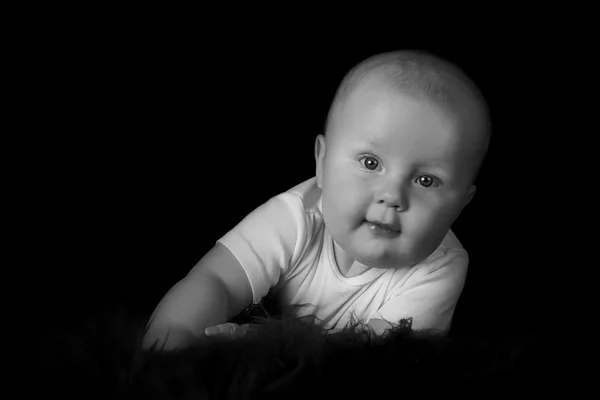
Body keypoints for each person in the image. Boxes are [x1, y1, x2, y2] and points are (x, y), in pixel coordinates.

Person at [143, 49, 492, 351]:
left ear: (461, 204)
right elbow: (216, 280)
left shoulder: (441, 268)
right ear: (322, 164)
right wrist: (176, 337)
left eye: (426, 180)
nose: (392, 196)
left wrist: (274, 341)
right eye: (371, 163)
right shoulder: (296, 216)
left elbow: (379, 352)